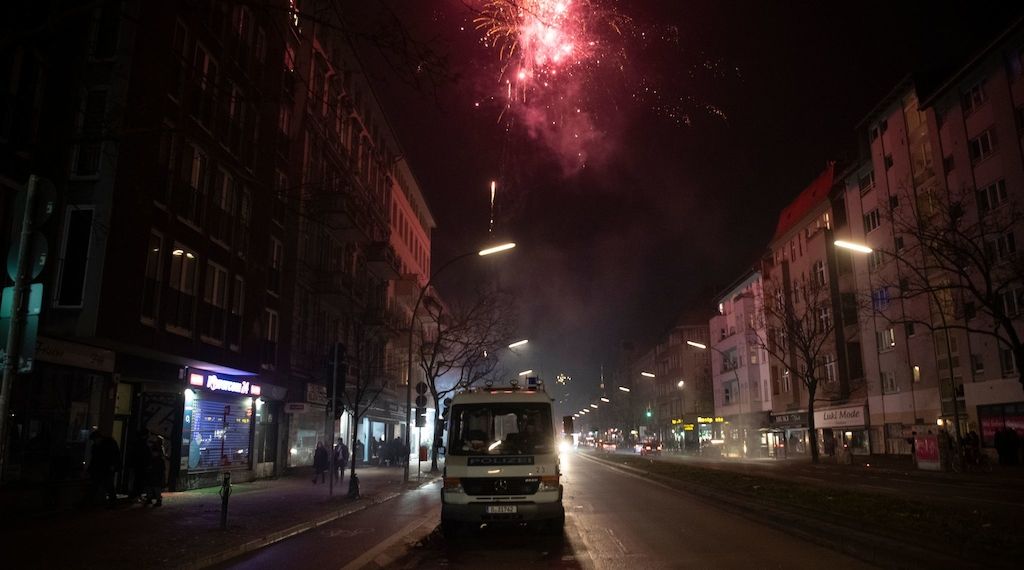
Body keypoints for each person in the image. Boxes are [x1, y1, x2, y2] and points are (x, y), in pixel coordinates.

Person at [88, 430, 120, 507]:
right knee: (106, 486)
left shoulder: (105, 445)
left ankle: (112, 502)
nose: (95, 442)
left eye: (95, 440)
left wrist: (113, 465)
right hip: (103, 468)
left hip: (105, 468)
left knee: (104, 485)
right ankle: (112, 502)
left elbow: (114, 456)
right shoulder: (108, 444)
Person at [128, 429, 151, 502]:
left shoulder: (137, 443)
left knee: (136, 481)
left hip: (137, 465)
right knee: (139, 481)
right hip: (141, 466)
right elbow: (145, 455)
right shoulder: (143, 444)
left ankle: (135, 495)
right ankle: (136, 495)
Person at [145, 440, 166, 507]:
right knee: (152, 488)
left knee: (154, 488)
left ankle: (155, 500)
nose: (154, 453)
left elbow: (162, 469)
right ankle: (152, 499)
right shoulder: (157, 459)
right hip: (154, 476)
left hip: (155, 476)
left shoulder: (155, 460)